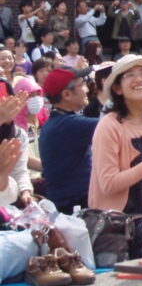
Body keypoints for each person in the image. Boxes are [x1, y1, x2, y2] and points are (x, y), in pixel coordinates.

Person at [87, 55, 142, 258]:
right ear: (117, 88)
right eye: (130, 75)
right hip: (122, 220)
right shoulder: (109, 126)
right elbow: (108, 184)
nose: (139, 79)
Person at [38, 66, 97, 213]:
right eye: (82, 84)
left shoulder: (59, 121)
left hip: (70, 203)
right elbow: (114, 125)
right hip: (72, 207)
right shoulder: (67, 125)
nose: (87, 89)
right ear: (66, 94)